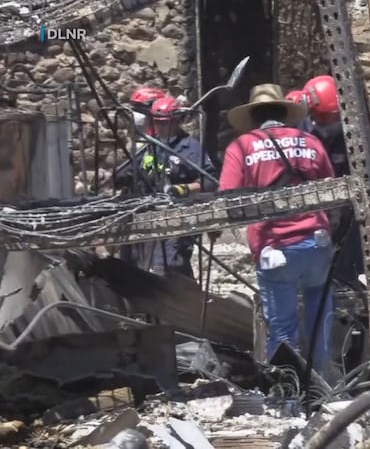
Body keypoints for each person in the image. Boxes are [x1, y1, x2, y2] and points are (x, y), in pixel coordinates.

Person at [218, 83, 336, 368]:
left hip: (275, 249)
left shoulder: (242, 146)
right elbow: (332, 189)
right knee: (320, 319)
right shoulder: (310, 142)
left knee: (282, 329)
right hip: (317, 243)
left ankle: (289, 395)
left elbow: (227, 198)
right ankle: (321, 387)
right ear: (284, 112)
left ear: (253, 117)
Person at [114, 96, 216, 277]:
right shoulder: (146, 145)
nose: (161, 127)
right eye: (157, 122)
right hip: (141, 217)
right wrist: (112, 177)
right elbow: (127, 173)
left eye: (166, 123)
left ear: (176, 121)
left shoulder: (190, 148)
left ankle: (186, 300)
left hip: (175, 219)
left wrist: (183, 189)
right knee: (131, 269)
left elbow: (210, 181)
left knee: (169, 269)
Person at [301, 75, 364, 284]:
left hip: (348, 211)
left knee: (348, 266)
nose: (331, 125)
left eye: (335, 119)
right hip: (314, 213)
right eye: (326, 120)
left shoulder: (352, 135)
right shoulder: (302, 134)